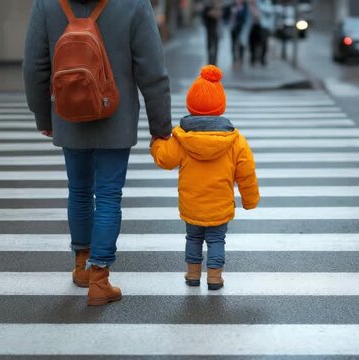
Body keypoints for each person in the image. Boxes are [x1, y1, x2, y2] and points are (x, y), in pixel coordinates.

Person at [23, 0, 172, 306]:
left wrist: (44, 117)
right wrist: (160, 126)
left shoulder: (47, 5)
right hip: (116, 115)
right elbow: (153, 71)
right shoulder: (134, 5)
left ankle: (81, 265)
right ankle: (99, 278)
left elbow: (34, 67)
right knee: (108, 196)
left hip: (68, 114)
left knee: (78, 191)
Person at [151, 65, 260, 290]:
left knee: (193, 239)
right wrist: (250, 200)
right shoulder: (234, 140)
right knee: (216, 241)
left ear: (191, 105)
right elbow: (246, 172)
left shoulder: (181, 138)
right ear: (220, 107)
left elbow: (165, 159)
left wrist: (157, 143)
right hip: (219, 206)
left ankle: (192, 274)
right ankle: (214, 277)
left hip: (192, 205)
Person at [248, 0, 274, 66]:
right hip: (254, 24)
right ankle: (253, 58)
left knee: (264, 42)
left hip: (264, 26)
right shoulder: (255, 2)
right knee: (252, 42)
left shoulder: (266, 2)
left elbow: (270, 11)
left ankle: (262, 59)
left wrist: (259, 7)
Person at [202, 0, 223, 66]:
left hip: (216, 30)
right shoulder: (208, 5)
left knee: (215, 47)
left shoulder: (219, 6)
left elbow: (220, 14)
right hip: (210, 29)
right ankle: (210, 62)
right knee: (210, 47)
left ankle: (214, 63)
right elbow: (205, 14)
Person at [230, 0, 249, 68]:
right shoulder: (233, 5)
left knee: (241, 43)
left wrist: (238, 11)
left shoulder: (245, 5)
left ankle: (241, 59)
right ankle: (234, 59)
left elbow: (245, 17)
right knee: (233, 43)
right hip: (233, 27)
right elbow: (228, 15)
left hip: (241, 27)